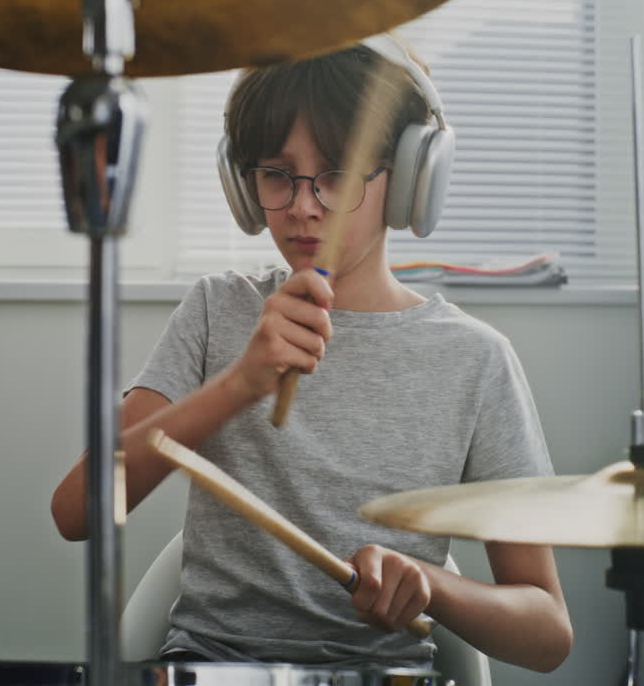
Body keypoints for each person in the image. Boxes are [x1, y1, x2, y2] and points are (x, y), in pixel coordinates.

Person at [51, 34, 573, 674]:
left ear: (411, 179)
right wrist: (242, 382)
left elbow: (547, 633)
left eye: (336, 175)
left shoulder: (476, 360)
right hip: (216, 668)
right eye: (276, 174)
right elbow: (76, 511)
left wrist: (432, 588)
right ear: (243, 186)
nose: (302, 206)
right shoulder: (218, 311)